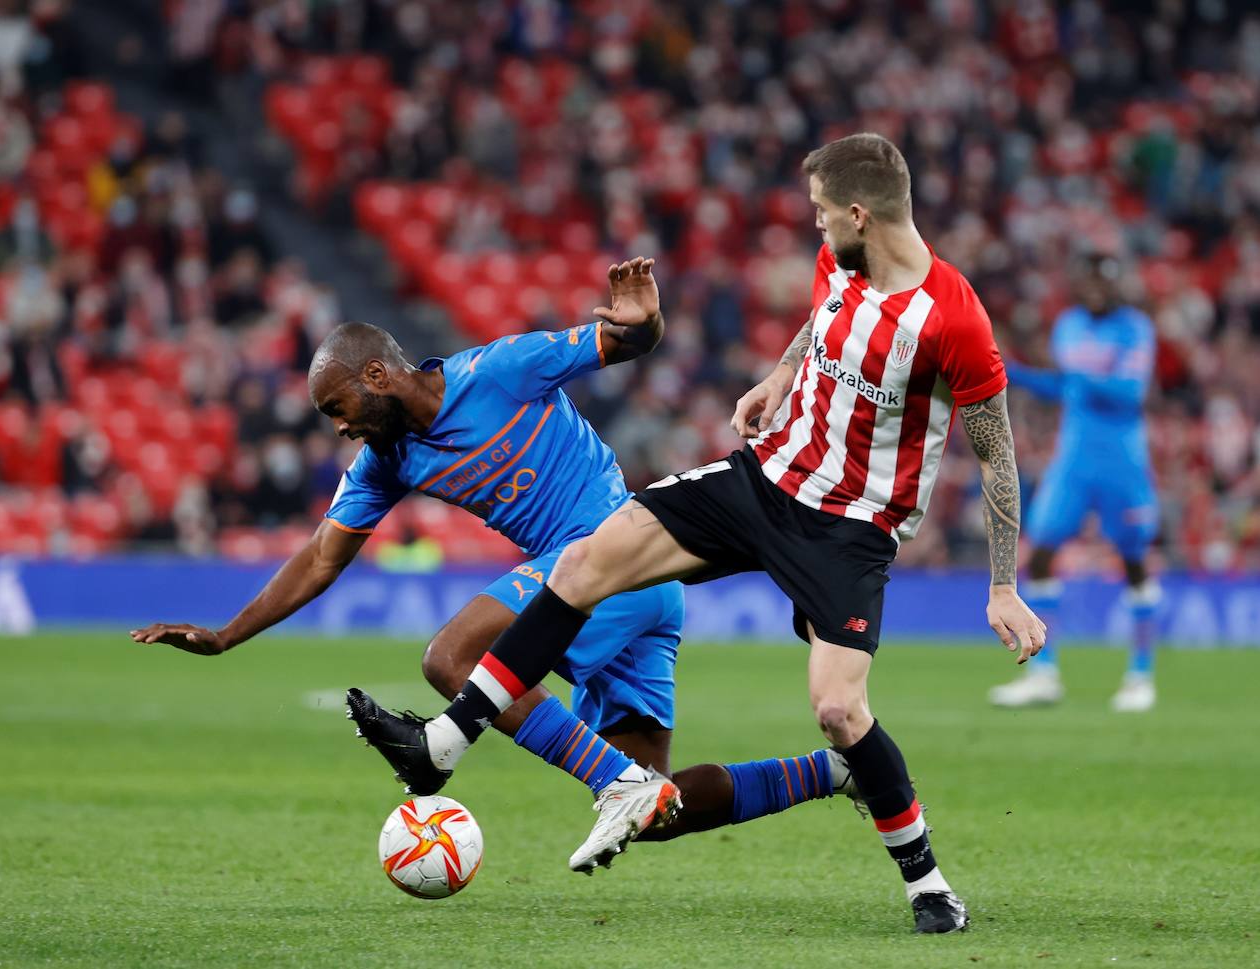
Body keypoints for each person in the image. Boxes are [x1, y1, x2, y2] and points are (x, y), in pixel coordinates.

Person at [349, 134, 1047, 935]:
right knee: (581, 564)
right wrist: (781, 377)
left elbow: (997, 455)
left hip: (849, 529)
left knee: (839, 713)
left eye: (823, 213)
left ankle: (926, 881)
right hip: (759, 482)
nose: (816, 227)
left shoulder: (953, 318)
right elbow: (825, 325)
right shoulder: (843, 264)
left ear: (861, 213)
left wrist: (1002, 586)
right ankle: (445, 739)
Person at [132, 259, 861, 875]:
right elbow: (323, 555)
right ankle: (841, 769)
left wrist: (646, 319)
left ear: (378, 373)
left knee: (454, 656)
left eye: (339, 405)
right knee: (662, 809)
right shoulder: (384, 462)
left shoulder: (502, 370)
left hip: (613, 556)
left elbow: (627, 338)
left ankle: (617, 783)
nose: (339, 426)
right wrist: (228, 635)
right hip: (622, 592)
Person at [989, 254, 1160, 712]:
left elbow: (1131, 392)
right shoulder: (1068, 325)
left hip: (1121, 460)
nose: (1097, 291)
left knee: (1134, 560)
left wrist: (1078, 377)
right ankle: (1044, 673)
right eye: (1091, 282)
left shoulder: (1135, 328)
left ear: (1117, 286)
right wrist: (1016, 373)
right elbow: (1066, 389)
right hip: (1074, 460)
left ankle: (1140, 675)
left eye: (1105, 283)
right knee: (1042, 552)